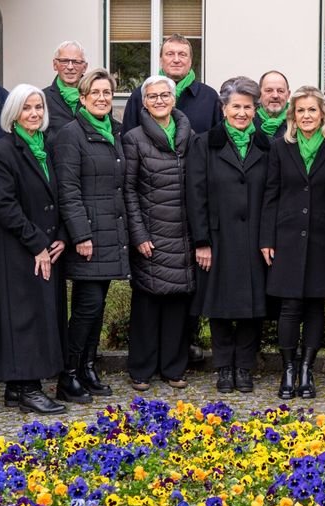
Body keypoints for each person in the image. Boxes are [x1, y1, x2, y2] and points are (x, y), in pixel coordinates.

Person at [0, 83, 68, 415]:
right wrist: (37, 245)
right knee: (25, 318)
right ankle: (30, 389)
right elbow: (4, 206)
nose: (34, 114)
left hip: (49, 245)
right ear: (13, 113)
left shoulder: (47, 146)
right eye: (27, 108)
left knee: (43, 315)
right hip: (20, 249)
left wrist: (62, 235)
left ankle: (17, 388)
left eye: (38, 108)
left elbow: (60, 197)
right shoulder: (2, 152)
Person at [186, 76, 271, 394]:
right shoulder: (205, 143)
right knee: (220, 305)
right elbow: (196, 195)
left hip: (253, 240)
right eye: (236, 106)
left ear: (255, 110)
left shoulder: (265, 144)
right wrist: (202, 241)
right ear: (224, 109)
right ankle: (224, 368)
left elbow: (271, 195)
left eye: (248, 107)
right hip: (218, 240)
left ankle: (245, 367)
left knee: (252, 306)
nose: (242, 112)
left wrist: (267, 238)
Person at [261, 86, 325, 399]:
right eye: (300, 111)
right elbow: (271, 194)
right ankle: (289, 369)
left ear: (322, 113)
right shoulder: (281, 146)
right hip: (287, 237)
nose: (306, 116)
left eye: (312, 110)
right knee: (289, 306)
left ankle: (307, 369)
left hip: (322, 239)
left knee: (314, 305)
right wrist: (267, 237)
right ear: (292, 115)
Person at [53, 68, 129, 402]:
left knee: (96, 308)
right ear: (82, 98)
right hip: (88, 236)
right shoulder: (71, 134)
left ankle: (87, 367)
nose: (101, 98)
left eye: (107, 93)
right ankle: (67, 374)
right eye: (95, 92)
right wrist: (80, 234)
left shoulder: (115, 131)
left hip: (110, 232)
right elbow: (67, 190)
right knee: (86, 306)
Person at [122, 75, 197, 390]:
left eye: (165, 95)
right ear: (144, 102)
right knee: (148, 305)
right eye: (152, 96)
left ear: (174, 98)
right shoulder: (134, 139)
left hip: (183, 234)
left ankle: (173, 368)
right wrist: (138, 235)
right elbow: (128, 191)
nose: (159, 100)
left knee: (178, 306)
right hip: (151, 235)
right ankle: (141, 369)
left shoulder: (190, 136)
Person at [121, 34, 221, 135]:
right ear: (161, 60)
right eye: (170, 54)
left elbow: (218, 142)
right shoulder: (140, 95)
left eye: (182, 54)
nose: (176, 60)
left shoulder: (210, 97)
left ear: (190, 61)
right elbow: (128, 141)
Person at [42, 41, 89, 131]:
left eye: (76, 62)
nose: (70, 67)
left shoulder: (96, 97)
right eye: (64, 61)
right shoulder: (42, 98)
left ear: (84, 67)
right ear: (55, 65)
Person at [255, 70, 291, 139]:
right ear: (259, 94)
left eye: (280, 91)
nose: (275, 95)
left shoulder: (298, 122)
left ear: (288, 94)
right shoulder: (248, 121)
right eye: (269, 90)